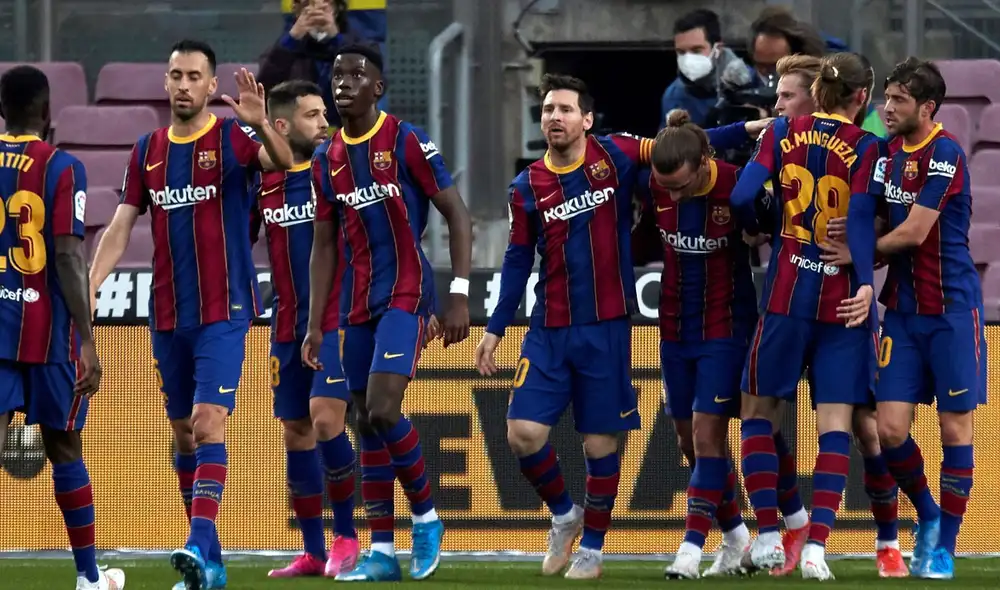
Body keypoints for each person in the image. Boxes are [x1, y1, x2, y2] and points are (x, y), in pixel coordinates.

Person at [88, 39, 294, 590]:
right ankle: (212, 564)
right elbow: (121, 224)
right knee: (183, 434)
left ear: (211, 85)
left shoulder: (230, 137)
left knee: (207, 422)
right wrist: (91, 284)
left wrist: (259, 122)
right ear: (166, 82)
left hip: (224, 308)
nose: (183, 84)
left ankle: (198, 544)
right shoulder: (147, 150)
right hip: (167, 312)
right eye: (176, 75)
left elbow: (284, 160)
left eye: (194, 76)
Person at [474, 72, 657, 581]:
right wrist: (495, 328)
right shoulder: (526, 186)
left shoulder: (615, 155)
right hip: (548, 329)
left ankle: (592, 549)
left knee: (600, 445)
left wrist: (751, 128)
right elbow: (517, 260)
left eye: (565, 109)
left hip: (605, 328)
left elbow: (676, 146)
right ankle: (563, 515)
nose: (555, 117)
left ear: (587, 119)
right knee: (522, 433)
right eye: (548, 109)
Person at [305, 42, 472, 583]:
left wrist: (459, 294)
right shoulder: (326, 158)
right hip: (355, 301)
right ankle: (381, 551)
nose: (343, 83)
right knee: (363, 422)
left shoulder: (405, 140)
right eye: (337, 75)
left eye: (357, 75)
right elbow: (323, 246)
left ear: (378, 87)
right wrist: (315, 323)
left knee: (381, 408)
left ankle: (426, 516)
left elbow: (457, 214)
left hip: (407, 291)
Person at [728, 52, 889, 581]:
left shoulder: (781, 133)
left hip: (785, 298)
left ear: (818, 90)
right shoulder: (869, 146)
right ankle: (817, 546)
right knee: (836, 426)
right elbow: (860, 219)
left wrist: (760, 225)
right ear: (862, 97)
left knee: (758, 412)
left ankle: (768, 536)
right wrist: (864, 281)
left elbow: (742, 194)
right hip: (841, 302)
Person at [822, 57, 985, 580]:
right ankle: (930, 515)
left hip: (952, 310)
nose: (887, 107)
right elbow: (871, 217)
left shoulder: (945, 153)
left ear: (927, 107)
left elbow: (914, 232)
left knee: (954, 428)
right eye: (886, 97)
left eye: (899, 100)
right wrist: (856, 238)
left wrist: (859, 252)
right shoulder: (883, 153)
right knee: (890, 431)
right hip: (904, 311)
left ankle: (945, 548)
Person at [766, 54, 907, 578]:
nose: (779, 105)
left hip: (845, 303)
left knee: (867, 430)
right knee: (764, 415)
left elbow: (886, 221)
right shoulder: (784, 138)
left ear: (815, 96)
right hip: (799, 302)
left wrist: (867, 261)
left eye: (787, 96)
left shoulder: (875, 150)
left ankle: (888, 540)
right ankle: (798, 527)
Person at [0, 65, 126, 590]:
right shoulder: (62, 167)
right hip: (48, 333)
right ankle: (89, 577)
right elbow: (69, 257)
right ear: (47, 111)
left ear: (2, 110)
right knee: (65, 448)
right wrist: (88, 340)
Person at [246, 79, 360, 579]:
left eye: (323, 113)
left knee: (327, 421)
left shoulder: (337, 173)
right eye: (312, 115)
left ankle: (348, 538)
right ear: (282, 125)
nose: (324, 123)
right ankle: (313, 551)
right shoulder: (264, 184)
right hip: (286, 324)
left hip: (335, 320)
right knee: (296, 431)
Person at [640, 110, 756, 579]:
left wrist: (745, 132)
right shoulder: (657, 179)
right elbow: (611, 145)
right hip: (674, 328)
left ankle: (689, 550)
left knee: (709, 437)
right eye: (665, 187)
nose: (672, 195)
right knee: (688, 441)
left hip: (725, 327)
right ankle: (737, 537)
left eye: (681, 187)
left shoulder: (737, 185)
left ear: (704, 162)